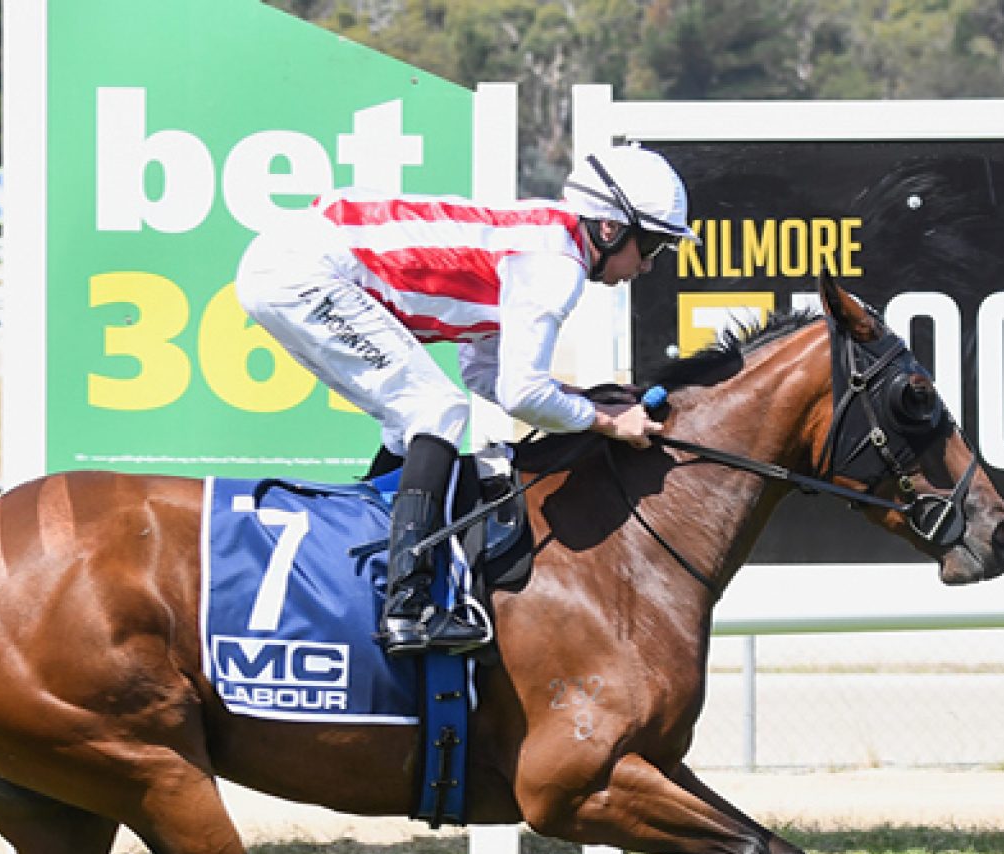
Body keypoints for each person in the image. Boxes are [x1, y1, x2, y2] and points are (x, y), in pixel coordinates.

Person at [235, 144, 699, 656]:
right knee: (433, 412)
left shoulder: (546, 240)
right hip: (307, 271)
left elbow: (485, 374)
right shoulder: (555, 264)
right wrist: (606, 422)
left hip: (293, 265)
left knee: (411, 420)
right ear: (610, 229)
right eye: (652, 245)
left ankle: (366, 572)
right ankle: (406, 607)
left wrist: (584, 399)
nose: (650, 265)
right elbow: (523, 396)